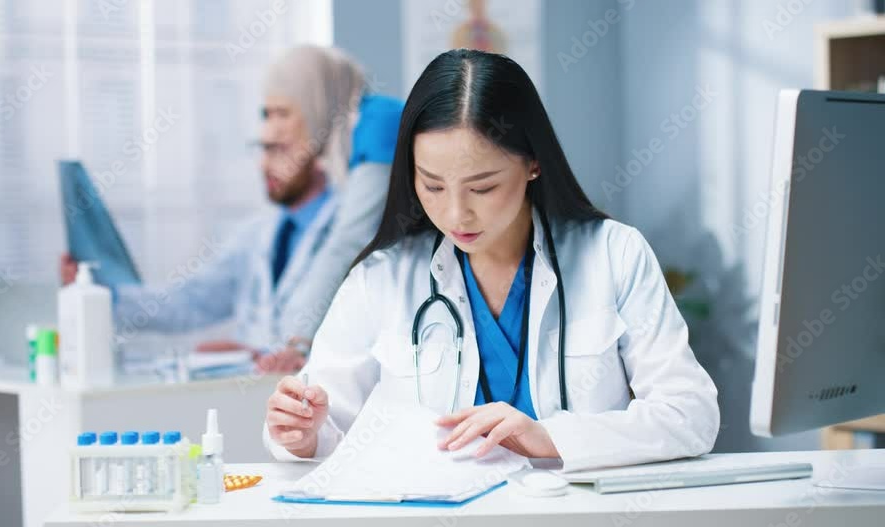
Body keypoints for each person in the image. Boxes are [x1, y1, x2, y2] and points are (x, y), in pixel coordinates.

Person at [263, 49, 719, 472]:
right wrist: (302, 434)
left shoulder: (613, 254)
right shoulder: (380, 278)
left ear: (534, 163)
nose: (456, 213)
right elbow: (325, 424)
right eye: (433, 186)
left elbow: (690, 414)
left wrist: (551, 438)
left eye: (482, 187)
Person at [60, 46, 402, 371]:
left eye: (283, 118)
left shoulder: (375, 129)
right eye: (267, 120)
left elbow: (347, 245)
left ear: (316, 109)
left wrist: (294, 345)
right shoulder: (260, 234)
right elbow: (192, 300)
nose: (268, 151)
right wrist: (103, 293)